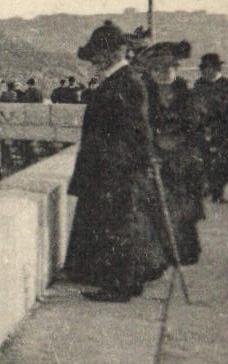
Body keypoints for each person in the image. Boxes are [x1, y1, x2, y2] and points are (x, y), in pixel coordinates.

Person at [63, 21, 168, 302]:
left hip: (118, 168)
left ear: (110, 54)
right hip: (111, 166)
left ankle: (120, 285)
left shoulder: (127, 82)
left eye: (97, 55)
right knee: (115, 224)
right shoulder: (118, 81)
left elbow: (137, 130)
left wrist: (123, 163)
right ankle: (121, 281)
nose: (94, 61)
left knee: (119, 224)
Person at [136, 41, 204, 266]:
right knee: (155, 205)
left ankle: (183, 251)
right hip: (156, 157)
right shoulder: (145, 94)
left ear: (176, 69)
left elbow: (195, 128)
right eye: (157, 70)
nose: (162, 74)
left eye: (167, 69)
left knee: (182, 206)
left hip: (182, 158)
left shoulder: (188, 95)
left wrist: (179, 146)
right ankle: (160, 253)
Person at [192, 52, 228, 203]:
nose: (208, 71)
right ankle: (206, 186)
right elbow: (192, 108)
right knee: (204, 159)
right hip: (202, 129)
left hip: (223, 129)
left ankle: (218, 192)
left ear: (218, 69)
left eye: (211, 68)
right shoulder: (198, 85)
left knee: (222, 161)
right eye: (205, 68)